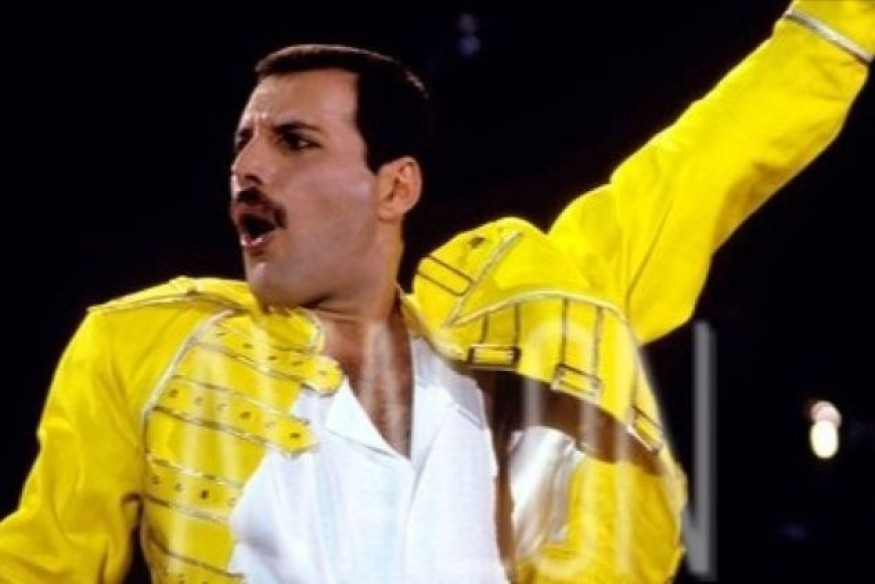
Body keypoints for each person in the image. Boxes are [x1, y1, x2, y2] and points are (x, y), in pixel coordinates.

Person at [1, 0, 872, 582]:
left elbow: (699, 169)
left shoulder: (522, 319)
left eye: (294, 141)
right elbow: (42, 565)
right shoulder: (147, 346)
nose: (247, 167)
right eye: (241, 143)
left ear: (394, 186)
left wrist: (840, 21)